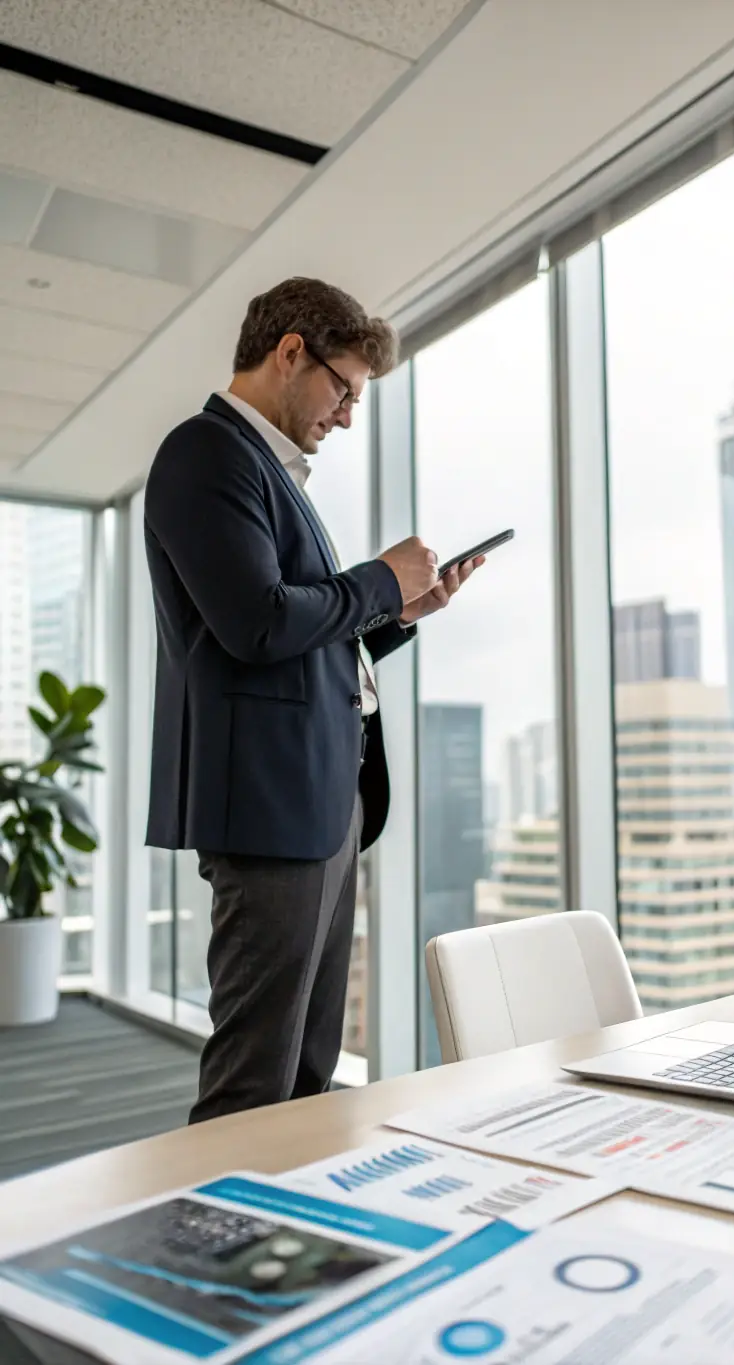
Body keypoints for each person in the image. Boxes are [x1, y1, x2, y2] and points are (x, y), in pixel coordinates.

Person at [144, 277, 482, 1124]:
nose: (348, 416)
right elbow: (256, 622)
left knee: (306, 1074)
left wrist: (398, 612)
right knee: (255, 1081)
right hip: (270, 808)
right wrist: (378, 579)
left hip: (320, 807)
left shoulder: (267, 472)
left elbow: (296, 640)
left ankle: (284, 1213)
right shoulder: (204, 453)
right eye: (345, 390)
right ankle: (221, 1216)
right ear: (291, 352)